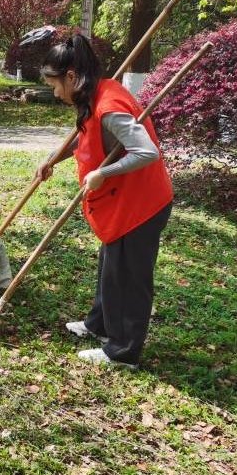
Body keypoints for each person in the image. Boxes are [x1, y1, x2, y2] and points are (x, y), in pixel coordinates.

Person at [35, 34, 172, 369]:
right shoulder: (92, 93)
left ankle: (124, 352)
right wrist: (55, 158)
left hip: (142, 204)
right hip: (123, 199)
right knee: (111, 267)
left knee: (129, 276)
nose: (55, 93)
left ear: (70, 76)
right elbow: (86, 137)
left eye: (54, 85)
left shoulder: (109, 108)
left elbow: (147, 151)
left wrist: (104, 172)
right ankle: (99, 325)